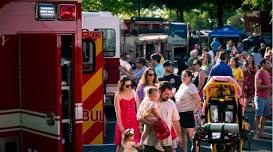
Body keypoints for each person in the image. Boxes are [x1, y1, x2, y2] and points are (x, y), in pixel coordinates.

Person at [138, 81, 182, 152]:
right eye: (166, 94)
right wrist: (148, 123)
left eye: (170, 94)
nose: (168, 96)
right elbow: (138, 117)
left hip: (167, 143)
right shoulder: (147, 101)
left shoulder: (171, 103)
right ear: (159, 91)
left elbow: (175, 121)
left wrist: (179, 137)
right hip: (150, 142)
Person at [175, 70, 201, 152]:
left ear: (190, 77)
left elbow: (198, 100)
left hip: (188, 113)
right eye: (182, 76)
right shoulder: (182, 85)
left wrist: (194, 112)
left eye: (185, 76)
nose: (183, 77)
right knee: (183, 134)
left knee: (192, 136)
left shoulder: (191, 86)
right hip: (180, 114)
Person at [114, 76, 141, 152]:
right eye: (127, 86)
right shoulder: (118, 95)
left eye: (131, 85)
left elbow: (138, 109)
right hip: (123, 121)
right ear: (122, 85)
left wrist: (139, 122)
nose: (130, 87)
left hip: (133, 121)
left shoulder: (134, 93)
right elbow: (117, 112)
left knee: (135, 144)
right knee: (120, 145)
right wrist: (121, 126)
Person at [138, 87, 166, 151]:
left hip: (146, 118)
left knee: (146, 132)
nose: (157, 98)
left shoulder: (145, 102)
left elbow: (141, 112)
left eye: (157, 96)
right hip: (152, 118)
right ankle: (158, 143)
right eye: (155, 96)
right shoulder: (153, 103)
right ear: (150, 96)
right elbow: (156, 113)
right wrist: (161, 119)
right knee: (163, 130)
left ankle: (141, 142)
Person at [253, 58, 272, 140]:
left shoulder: (267, 72)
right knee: (258, 116)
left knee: (265, 115)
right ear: (263, 64)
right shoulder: (259, 73)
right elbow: (257, 86)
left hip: (267, 97)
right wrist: (270, 86)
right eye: (268, 63)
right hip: (260, 97)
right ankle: (256, 134)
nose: (269, 65)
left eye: (269, 63)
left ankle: (261, 132)